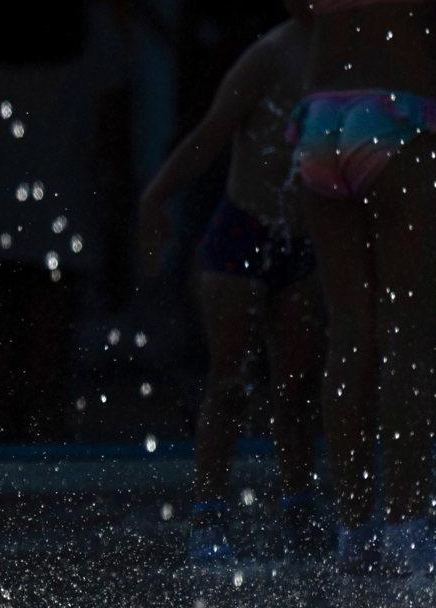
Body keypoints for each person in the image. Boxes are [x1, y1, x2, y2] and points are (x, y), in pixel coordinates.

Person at [139, 3, 324, 564]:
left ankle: (299, 505)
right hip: (243, 230)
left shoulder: (353, 52)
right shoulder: (271, 56)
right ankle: (209, 511)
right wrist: (157, 195)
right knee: (230, 382)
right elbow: (211, 135)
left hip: (302, 237)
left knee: (297, 388)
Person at [292, 0, 436, 573]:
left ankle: (354, 532)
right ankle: (407, 530)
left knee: (350, 331)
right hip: (402, 111)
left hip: (321, 118)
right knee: (408, 334)